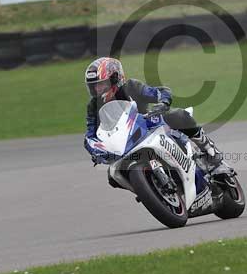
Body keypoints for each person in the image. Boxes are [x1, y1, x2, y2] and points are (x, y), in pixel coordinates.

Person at [83, 57, 232, 183]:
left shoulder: (131, 87)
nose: (97, 90)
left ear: (115, 78)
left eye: (101, 84)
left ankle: (212, 154)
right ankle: (149, 188)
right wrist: (96, 151)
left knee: (179, 115)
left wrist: (163, 103)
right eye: (93, 86)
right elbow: (90, 135)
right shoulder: (93, 106)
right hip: (124, 143)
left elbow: (160, 92)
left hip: (148, 125)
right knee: (112, 177)